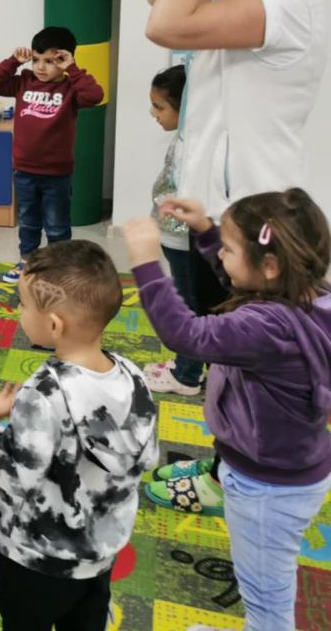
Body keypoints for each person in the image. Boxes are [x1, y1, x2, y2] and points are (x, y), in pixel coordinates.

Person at [144, 0, 329, 507]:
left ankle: (247, 478)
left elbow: (164, 24)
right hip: (226, 210)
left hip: (256, 214)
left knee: (252, 363)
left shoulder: (282, 1)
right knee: (233, 363)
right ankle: (230, 467)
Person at [124, 191, 331, 631]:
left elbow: (187, 335)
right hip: (284, 470)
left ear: (270, 266)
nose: (221, 255)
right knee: (263, 574)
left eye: (229, 249)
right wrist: (206, 231)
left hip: (267, 486)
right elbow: (243, 281)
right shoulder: (309, 299)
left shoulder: (267, 328)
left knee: (266, 601)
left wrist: (146, 264)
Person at [0, 241, 158, 631]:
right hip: (99, 550)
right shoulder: (133, 375)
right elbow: (141, 453)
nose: (18, 311)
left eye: (23, 304)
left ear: (55, 325)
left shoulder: (43, 394)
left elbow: (15, 474)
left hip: (37, 557)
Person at [0, 27, 104, 282]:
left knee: (57, 225)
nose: (40, 67)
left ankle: (59, 266)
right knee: (28, 222)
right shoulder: (23, 81)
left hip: (57, 174)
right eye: (36, 59)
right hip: (24, 170)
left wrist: (73, 69)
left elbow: (95, 96)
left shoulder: (71, 88)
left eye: (50, 61)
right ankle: (28, 261)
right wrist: (14, 61)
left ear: (64, 59)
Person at [141, 64, 205, 396]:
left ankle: (187, 375)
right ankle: (187, 364)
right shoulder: (186, 139)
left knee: (187, 305)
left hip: (184, 239)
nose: (153, 113)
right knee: (188, 299)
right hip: (176, 236)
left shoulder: (195, 146)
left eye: (159, 106)